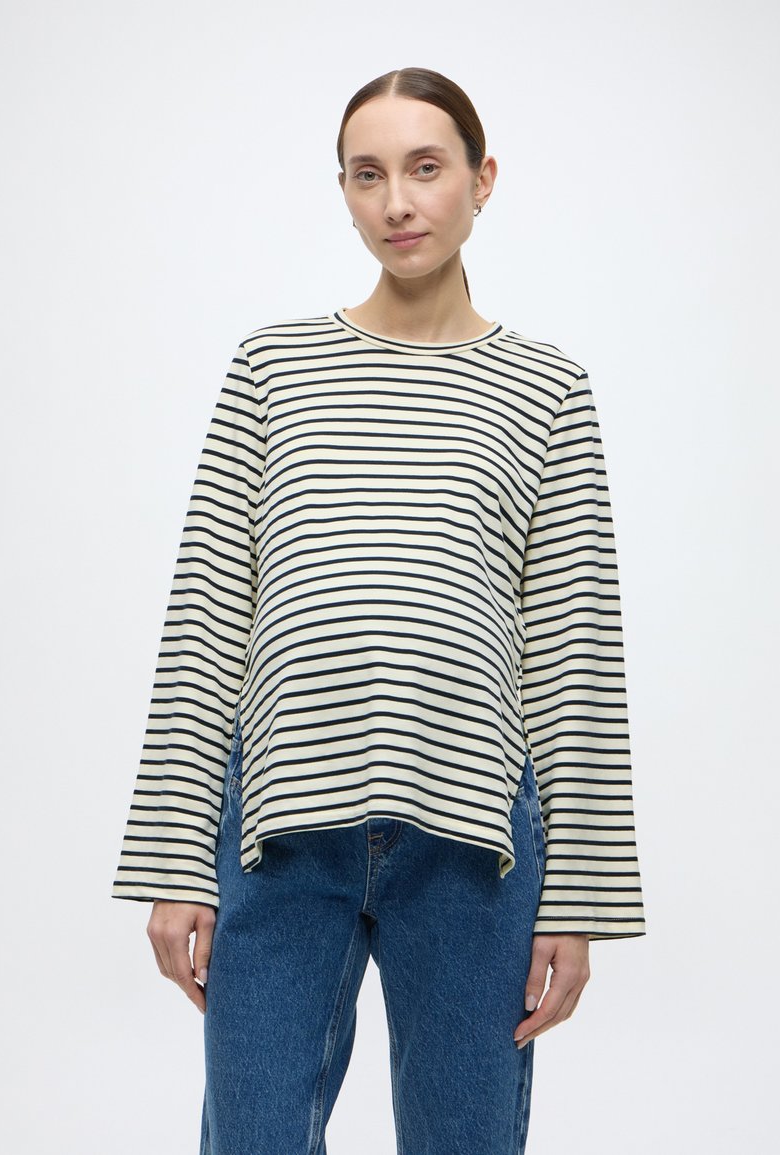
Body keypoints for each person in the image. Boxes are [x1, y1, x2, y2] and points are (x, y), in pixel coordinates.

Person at [112, 66, 646, 1154]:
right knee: (253, 1136)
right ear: (345, 193)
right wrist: (172, 859)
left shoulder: (548, 388)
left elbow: (574, 651)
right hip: (279, 832)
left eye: (425, 168)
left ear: (481, 180)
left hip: (472, 841)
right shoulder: (273, 367)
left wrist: (578, 902)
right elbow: (207, 616)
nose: (396, 202)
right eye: (367, 175)